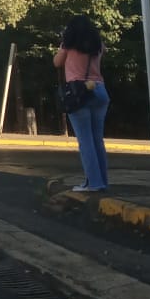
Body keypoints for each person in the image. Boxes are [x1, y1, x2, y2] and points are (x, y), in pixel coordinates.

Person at [53, 15, 109, 192]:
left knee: (85, 141)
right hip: (100, 91)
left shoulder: (68, 45)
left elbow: (56, 63)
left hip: (79, 92)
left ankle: (93, 183)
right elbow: (102, 54)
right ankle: (102, 181)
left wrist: (62, 45)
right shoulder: (98, 44)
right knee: (97, 140)